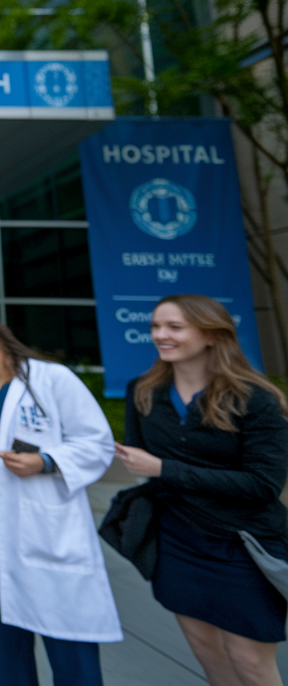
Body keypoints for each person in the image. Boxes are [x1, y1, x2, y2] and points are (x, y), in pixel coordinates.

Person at [0, 307, 120, 686]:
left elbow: (96, 442)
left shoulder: (52, 378)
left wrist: (46, 461)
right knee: (6, 652)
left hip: (45, 534)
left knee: (71, 652)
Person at [115, 294, 288, 686]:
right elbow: (144, 461)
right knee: (207, 654)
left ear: (212, 334)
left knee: (249, 662)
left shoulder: (256, 399)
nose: (161, 335)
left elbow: (263, 486)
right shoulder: (142, 391)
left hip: (243, 543)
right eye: (156, 326)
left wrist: (165, 468)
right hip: (177, 538)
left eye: (174, 327)